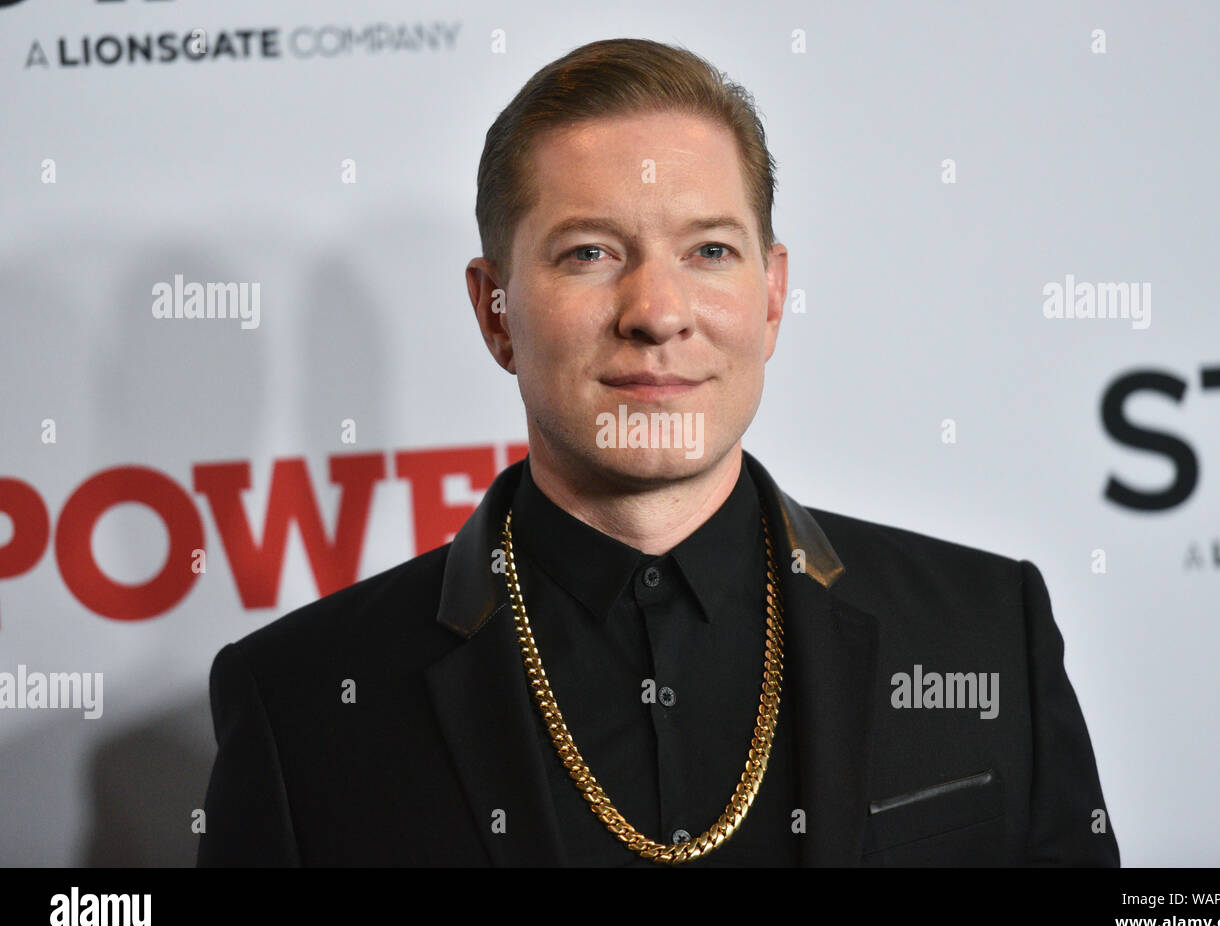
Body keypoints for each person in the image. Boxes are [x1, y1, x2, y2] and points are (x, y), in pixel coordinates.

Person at [197, 37, 1119, 867]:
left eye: (710, 250)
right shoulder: (304, 705)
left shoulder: (987, 631)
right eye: (590, 252)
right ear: (496, 312)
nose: (657, 311)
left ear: (771, 296)